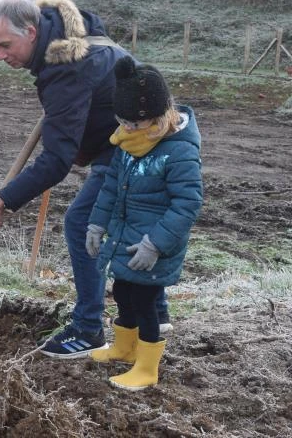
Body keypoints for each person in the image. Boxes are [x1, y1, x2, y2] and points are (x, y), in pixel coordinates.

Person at [0, 0, 171, 358]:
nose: (0, 55)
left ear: (31, 32)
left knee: (81, 222)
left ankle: (88, 328)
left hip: (139, 144)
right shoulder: (71, 30)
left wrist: (1, 202)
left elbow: (56, 162)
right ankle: (155, 312)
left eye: (5, 45)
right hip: (145, 136)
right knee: (126, 218)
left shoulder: (66, 69)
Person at [85, 58, 202, 390]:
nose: (127, 130)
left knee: (146, 302)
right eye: (122, 122)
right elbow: (111, 186)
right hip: (127, 236)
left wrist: (155, 244)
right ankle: (124, 347)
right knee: (122, 290)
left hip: (155, 244)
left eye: (134, 124)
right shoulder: (130, 142)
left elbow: (188, 203)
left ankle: (147, 368)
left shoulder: (179, 151)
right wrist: (96, 224)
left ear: (159, 116)